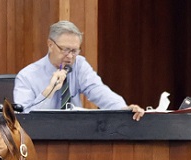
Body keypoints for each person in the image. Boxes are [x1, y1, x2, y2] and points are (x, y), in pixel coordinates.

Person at [14, 20, 144, 120]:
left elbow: (98, 90)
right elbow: (25, 118)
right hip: (40, 139)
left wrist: (123, 108)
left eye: (74, 51)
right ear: (50, 45)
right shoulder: (27, 76)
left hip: (74, 135)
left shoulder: (79, 65)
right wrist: (50, 90)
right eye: (65, 50)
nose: (70, 56)